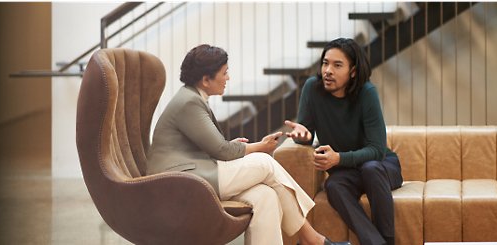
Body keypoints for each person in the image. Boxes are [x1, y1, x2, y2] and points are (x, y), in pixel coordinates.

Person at [147, 44, 350, 245]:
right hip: (179, 181)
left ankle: (310, 239)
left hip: (195, 172)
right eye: (224, 73)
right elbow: (222, 151)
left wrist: (231, 146)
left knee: (266, 196)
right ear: (206, 80)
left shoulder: (192, 98)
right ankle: (312, 239)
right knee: (264, 162)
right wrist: (259, 147)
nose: (228, 78)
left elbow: (212, 147)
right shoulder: (189, 102)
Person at [285, 38, 404, 245]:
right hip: (348, 173)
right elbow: (307, 134)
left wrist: (339, 158)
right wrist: (303, 137)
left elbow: (377, 150)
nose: (328, 70)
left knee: (371, 168)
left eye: (337, 65)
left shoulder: (367, 93)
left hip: (382, 167)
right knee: (333, 184)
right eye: (325, 63)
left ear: (353, 71)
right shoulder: (312, 89)